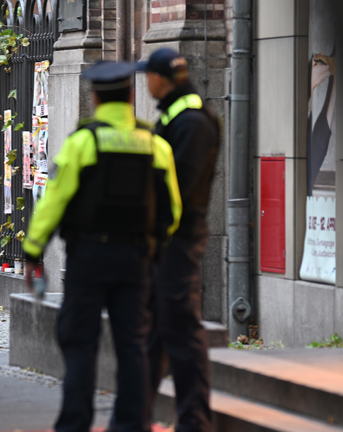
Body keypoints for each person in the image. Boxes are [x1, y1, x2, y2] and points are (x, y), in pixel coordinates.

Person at [23, 61, 182, 432]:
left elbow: (54, 201)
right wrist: (153, 246)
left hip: (88, 258)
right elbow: (172, 210)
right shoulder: (155, 145)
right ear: (130, 96)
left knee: (80, 342)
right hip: (135, 259)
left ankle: (75, 423)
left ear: (94, 99)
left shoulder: (84, 143)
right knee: (133, 344)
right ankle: (131, 423)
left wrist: (34, 250)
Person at [136, 48, 220, 432]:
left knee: (181, 329)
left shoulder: (191, 122)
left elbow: (178, 189)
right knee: (154, 330)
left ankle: (194, 419)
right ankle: (137, 414)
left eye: (148, 76)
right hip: (166, 242)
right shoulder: (178, 117)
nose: (145, 82)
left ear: (160, 79)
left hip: (179, 242)